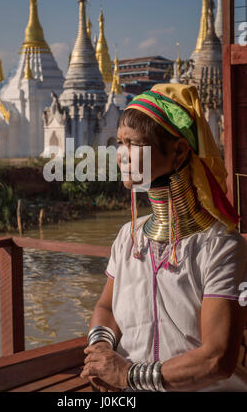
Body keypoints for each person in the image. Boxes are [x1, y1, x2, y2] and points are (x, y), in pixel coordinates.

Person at [80, 83, 247, 392]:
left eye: (134, 144)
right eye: (120, 143)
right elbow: (106, 307)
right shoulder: (128, 237)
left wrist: (128, 374)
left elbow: (217, 359)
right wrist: (101, 352)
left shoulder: (222, 247)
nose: (122, 156)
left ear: (180, 150)